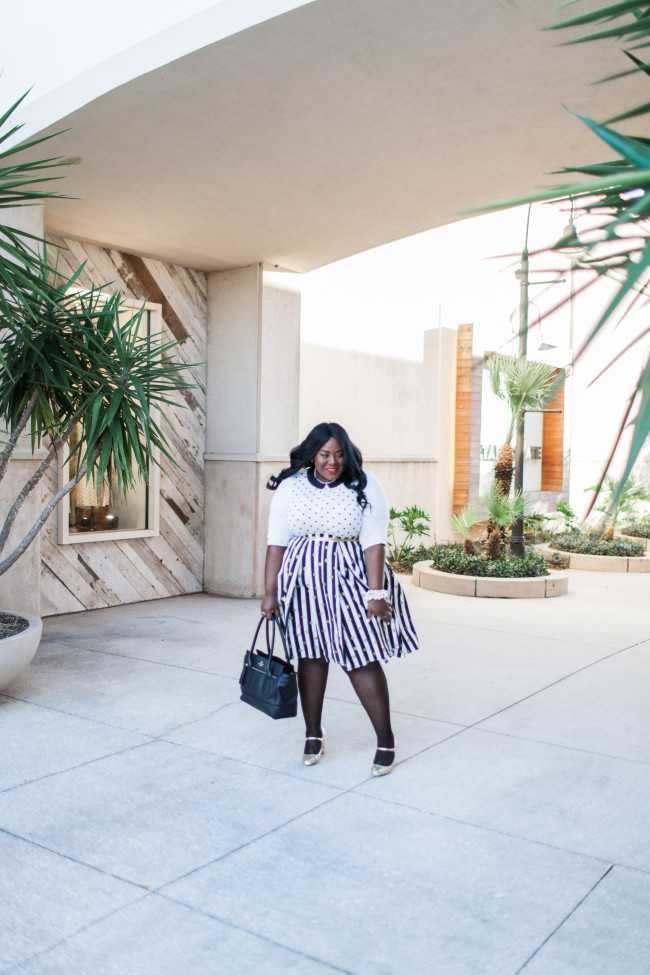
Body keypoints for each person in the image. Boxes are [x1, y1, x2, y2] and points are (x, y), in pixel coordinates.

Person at [261, 421, 419, 776]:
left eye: (339, 454)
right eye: (324, 454)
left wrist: (376, 593)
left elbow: (374, 541)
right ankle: (313, 733)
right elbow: (276, 543)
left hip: (351, 580)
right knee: (311, 657)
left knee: (360, 659)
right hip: (302, 584)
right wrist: (270, 592)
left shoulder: (365, 484)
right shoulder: (291, 487)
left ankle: (385, 739)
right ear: (312, 455)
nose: (332, 462)